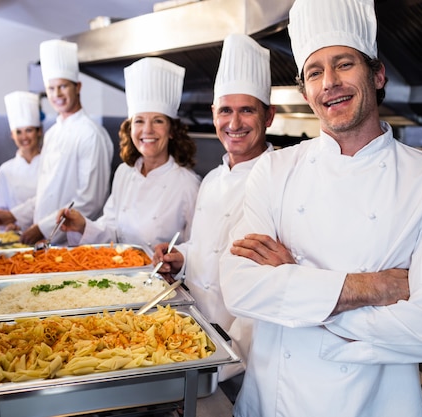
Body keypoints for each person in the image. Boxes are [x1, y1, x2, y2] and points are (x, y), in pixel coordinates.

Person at [218, 0, 422, 416]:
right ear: (305, 92)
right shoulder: (274, 169)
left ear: (377, 74)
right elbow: (241, 289)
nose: (329, 83)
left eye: (344, 65)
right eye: (314, 72)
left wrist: (294, 288)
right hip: (271, 403)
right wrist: (372, 289)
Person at [153, 34, 276, 389]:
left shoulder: (279, 181)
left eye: (246, 110)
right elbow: (209, 247)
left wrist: (225, 359)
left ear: (269, 115)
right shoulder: (211, 179)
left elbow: (269, 282)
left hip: (244, 357)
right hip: (192, 338)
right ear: (213, 115)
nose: (234, 123)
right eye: (225, 110)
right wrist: (182, 257)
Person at [60, 57, 200, 248]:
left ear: (172, 130)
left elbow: (196, 247)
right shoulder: (124, 173)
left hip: (161, 277)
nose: (147, 130)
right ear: (130, 128)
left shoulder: (188, 184)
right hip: (121, 273)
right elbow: (111, 229)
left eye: (158, 120)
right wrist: (82, 225)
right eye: (139, 121)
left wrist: (176, 259)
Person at [0, 39, 114, 244]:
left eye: (63, 86)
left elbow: (90, 200)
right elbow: (46, 194)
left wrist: (44, 229)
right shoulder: (53, 133)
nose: (57, 95)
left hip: (73, 244)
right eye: (51, 88)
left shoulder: (91, 134)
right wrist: (14, 216)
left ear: (78, 87)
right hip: (48, 242)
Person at [0, 91, 42, 231]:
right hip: (15, 238)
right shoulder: (5, 170)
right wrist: (5, 224)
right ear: (12, 135)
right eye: (18, 132)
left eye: (29, 130)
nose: (24, 137)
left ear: (39, 131)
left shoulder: (51, 164)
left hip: (46, 236)